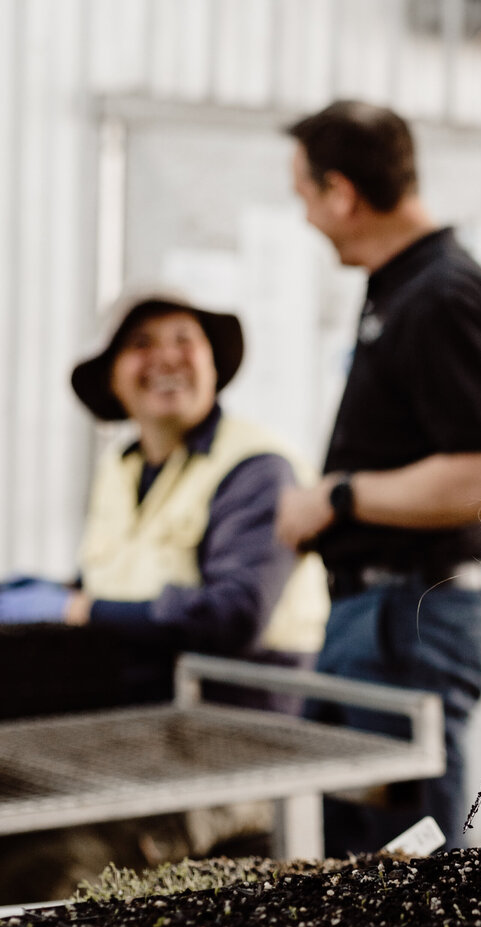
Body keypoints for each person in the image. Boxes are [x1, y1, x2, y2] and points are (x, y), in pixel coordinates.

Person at [278, 99, 481, 851]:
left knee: (407, 861)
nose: (308, 219)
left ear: (341, 193)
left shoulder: (441, 291)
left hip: (406, 616)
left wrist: (337, 497)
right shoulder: (406, 283)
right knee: (351, 844)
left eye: (306, 197)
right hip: (378, 615)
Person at [0, 290, 328, 701]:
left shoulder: (255, 467)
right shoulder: (121, 466)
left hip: (239, 712)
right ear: (112, 378)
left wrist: (75, 609)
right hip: (143, 700)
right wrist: (55, 590)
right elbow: (120, 579)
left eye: (183, 340)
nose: (167, 358)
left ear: (211, 362)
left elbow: (233, 616)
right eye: (141, 344)